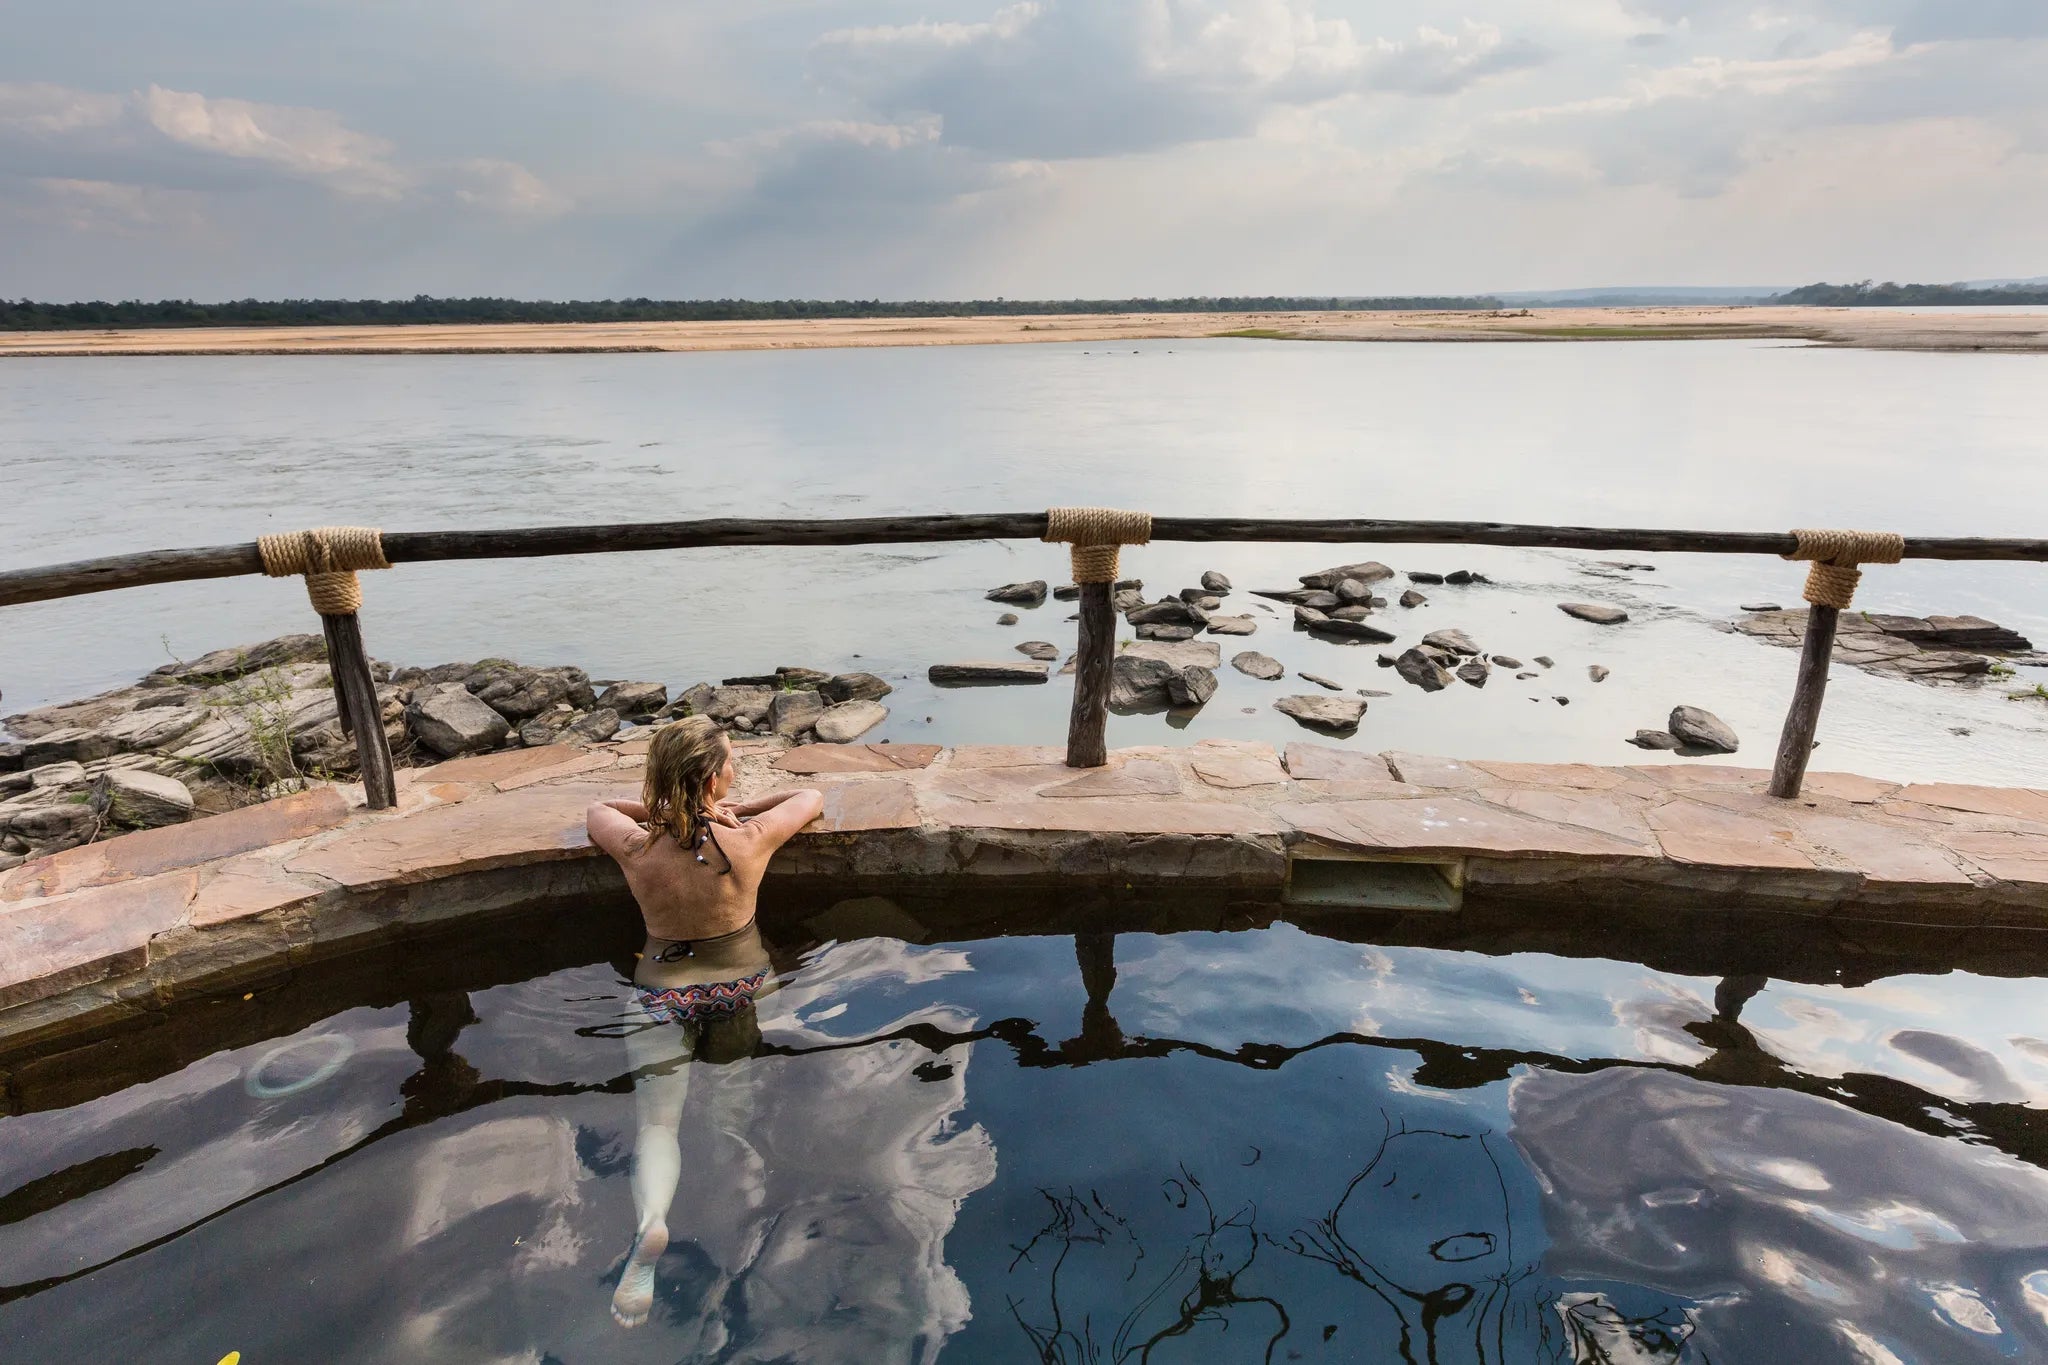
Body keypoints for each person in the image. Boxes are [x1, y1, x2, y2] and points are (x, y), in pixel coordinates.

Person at [585, 717, 823, 1328]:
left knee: (658, 1125)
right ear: (718, 779)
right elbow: (812, 797)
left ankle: (653, 1221)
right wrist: (737, 807)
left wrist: (663, 809)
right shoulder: (748, 840)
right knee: (729, 1089)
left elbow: (596, 807)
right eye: (732, 766)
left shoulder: (636, 846)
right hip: (737, 988)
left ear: (662, 778)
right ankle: (734, 1173)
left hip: (661, 994)